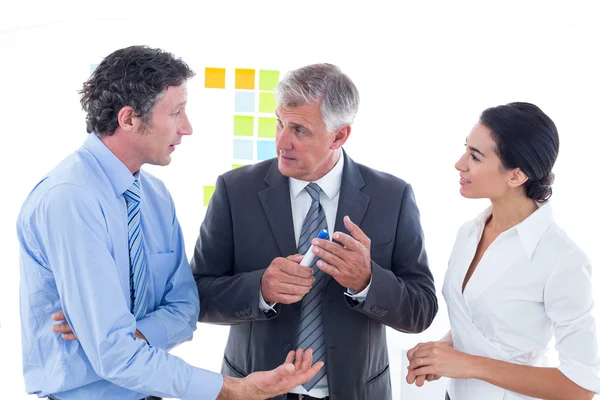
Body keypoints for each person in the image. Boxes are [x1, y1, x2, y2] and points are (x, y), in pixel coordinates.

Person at [17, 45, 322, 400]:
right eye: (176, 113)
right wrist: (235, 389)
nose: (187, 128)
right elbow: (113, 357)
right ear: (129, 118)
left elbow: (185, 307)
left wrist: (134, 333)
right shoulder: (71, 199)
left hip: (150, 390)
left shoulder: (154, 196)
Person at [191, 63, 438, 400]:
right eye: (279, 123)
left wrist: (367, 281)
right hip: (254, 391)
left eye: (299, 130)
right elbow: (197, 296)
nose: (281, 141)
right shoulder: (235, 191)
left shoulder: (391, 197)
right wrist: (260, 289)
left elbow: (421, 310)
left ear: (340, 135)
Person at [406, 102, 600, 400]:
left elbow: (581, 386)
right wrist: (444, 349)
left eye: (475, 156)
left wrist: (468, 364)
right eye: (466, 149)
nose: (460, 163)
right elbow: (485, 328)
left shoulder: (563, 260)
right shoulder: (469, 232)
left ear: (516, 176)